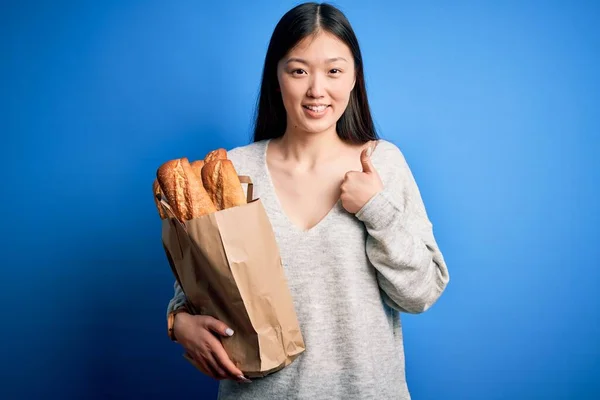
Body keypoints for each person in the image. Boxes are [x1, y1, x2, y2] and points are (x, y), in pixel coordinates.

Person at [165, 2, 450, 399]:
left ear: (354, 77)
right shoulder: (233, 169)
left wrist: (376, 208)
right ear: (276, 78)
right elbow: (199, 288)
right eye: (298, 70)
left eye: (334, 70)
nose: (317, 89)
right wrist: (179, 324)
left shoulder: (383, 164)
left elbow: (420, 294)